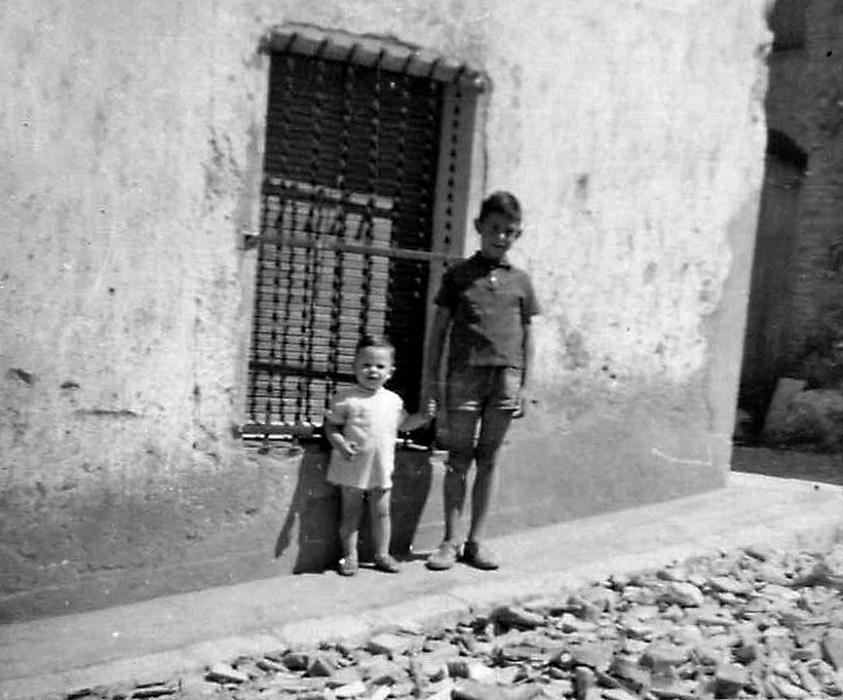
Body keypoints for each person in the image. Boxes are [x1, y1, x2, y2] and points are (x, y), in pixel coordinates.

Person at [422, 191, 540, 571]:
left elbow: (527, 337)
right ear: (478, 228)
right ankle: (448, 542)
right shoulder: (457, 276)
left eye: (509, 231)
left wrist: (525, 386)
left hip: (504, 380)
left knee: (489, 459)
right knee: (458, 460)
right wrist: (432, 383)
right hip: (464, 378)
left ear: (516, 235)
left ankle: (476, 542)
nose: (501, 237)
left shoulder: (521, 281)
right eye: (494, 229)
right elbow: (438, 333)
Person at [324, 335, 428, 576]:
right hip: (351, 466)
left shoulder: (393, 400)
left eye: (380, 366)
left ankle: (382, 553)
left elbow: (405, 425)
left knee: (382, 512)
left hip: (380, 468)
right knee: (350, 512)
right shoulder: (346, 399)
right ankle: (349, 555)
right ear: (354, 367)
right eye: (366, 365)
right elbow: (331, 426)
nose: (373, 370)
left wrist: (424, 417)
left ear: (390, 371)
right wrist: (339, 443)